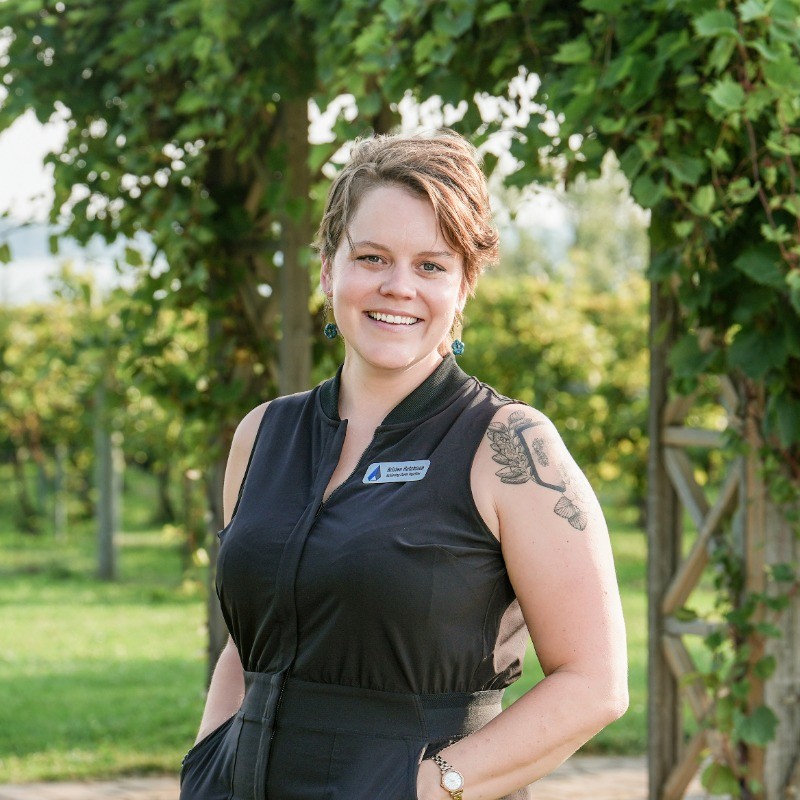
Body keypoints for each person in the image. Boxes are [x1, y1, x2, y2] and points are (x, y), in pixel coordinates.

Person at [179, 129, 628, 800]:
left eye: (431, 265)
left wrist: (426, 787)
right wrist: (206, 765)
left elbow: (595, 684)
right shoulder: (263, 435)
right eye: (372, 257)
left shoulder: (509, 446)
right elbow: (250, 646)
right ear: (328, 268)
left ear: (464, 286)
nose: (398, 287)